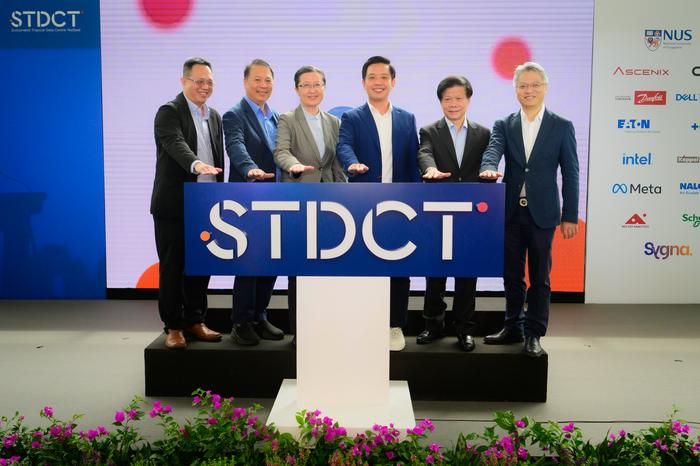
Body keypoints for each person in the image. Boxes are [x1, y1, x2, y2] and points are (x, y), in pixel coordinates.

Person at [479, 62, 579, 357]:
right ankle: (513, 326)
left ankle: (534, 333)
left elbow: (571, 173)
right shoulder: (504, 124)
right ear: (516, 90)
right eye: (523, 86)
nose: (529, 90)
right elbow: (493, 150)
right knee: (511, 275)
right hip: (510, 212)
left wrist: (570, 216)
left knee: (540, 277)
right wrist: (488, 167)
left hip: (543, 214)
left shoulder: (561, 126)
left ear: (545, 88)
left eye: (535, 85)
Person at [336, 56, 420, 351]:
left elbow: (413, 160)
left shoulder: (407, 118)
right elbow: (344, 146)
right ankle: (364, 323)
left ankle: (394, 325)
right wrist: (352, 163)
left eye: (384, 77)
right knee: (364, 265)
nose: (378, 82)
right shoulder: (352, 117)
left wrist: (417, 198)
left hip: (400, 205)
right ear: (363, 83)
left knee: (399, 266)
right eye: (372, 77)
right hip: (363, 203)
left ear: (393, 82)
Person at [150, 57, 224, 349]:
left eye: (209, 82)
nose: (205, 87)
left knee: (200, 266)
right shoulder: (169, 112)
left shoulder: (214, 116)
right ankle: (173, 326)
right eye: (199, 81)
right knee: (172, 268)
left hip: (206, 204)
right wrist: (196, 164)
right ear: (184, 81)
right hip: (175, 204)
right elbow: (175, 144)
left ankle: (195, 320)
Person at [416, 75, 491, 352]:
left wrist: (490, 171)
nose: (453, 103)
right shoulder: (429, 131)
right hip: (438, 212)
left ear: (468, 100)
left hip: (471, 215)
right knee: (434, 273)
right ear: (440, 102)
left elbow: (489, 160)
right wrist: (430, 169)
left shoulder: (484, 133)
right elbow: (424, 153)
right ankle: (433, 325)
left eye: (459, 98)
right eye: (447, 99)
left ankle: (464, 329)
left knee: (467, 273)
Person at [274, 66, 344, 342]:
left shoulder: (334, 122)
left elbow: (335, 163)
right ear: (296, 89)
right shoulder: (287, 119)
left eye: (317, 84)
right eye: (305, 85)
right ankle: (300, 333)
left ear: (324, 88)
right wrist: (294, 166)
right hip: (299, 199)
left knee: (327, 266)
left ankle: (326, 328)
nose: (312, 90)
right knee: (300, 267)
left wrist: (346, 193)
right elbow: (281, 151)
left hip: (330, 204)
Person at [223, 59, 283, 346]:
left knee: (271, 260)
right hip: (247, 198)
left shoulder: (276, 117)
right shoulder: (234, 115)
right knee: (249, 261)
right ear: (245, 82)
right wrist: (250, 169)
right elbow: (235, 146)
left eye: (267, 80)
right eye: (257, 80)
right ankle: (241, 322)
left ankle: (259, 316)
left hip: (276, 198)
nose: (263, 85)